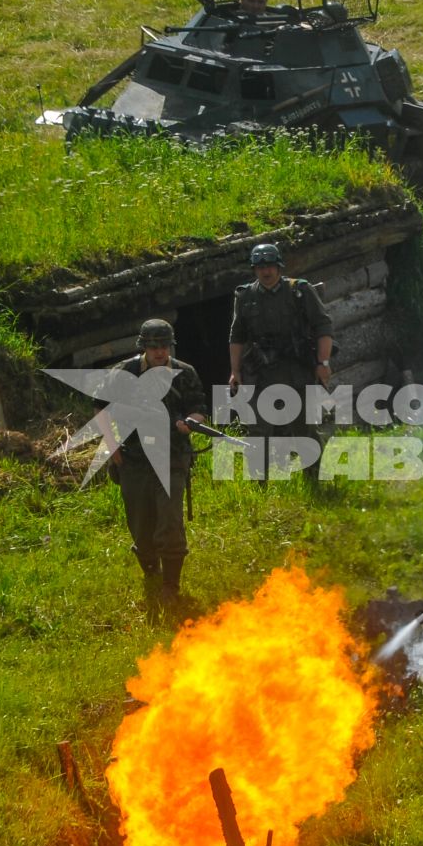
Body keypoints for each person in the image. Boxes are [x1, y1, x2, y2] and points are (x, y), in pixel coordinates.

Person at [101, 319, 209, 615]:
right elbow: (100, 408)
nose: (160, 352)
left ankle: (171, 587)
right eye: (154, 346)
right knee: (140, 525)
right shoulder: (124, 373)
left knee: (170, 523)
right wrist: (112, 448)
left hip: (171, 456)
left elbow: (200, 409)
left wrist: (190, 424)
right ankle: (151, 575)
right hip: (134, 459)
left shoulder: (184, 374)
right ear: (144, 347)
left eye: (164, 346)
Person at [227, 242, 333, 472]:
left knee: (304, 427)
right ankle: (258, 485)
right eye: (260, 267)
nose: (266, 272)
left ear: (279, 267)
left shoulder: (299, 290)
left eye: (270, 266)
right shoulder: (245, 296)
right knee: (258, 430)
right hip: (262, 373)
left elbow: (323, 326)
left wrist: (323, 363)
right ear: (254, 269)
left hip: (297, 370)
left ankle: (314, 480)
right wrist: (235, 371)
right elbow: (237, 336)